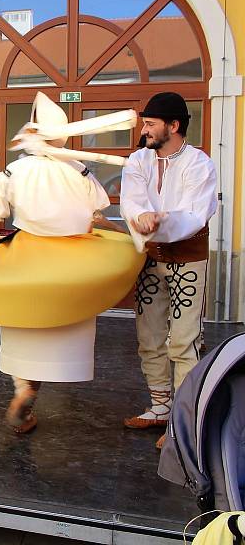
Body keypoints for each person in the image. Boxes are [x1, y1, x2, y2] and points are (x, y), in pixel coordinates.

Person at [0, 92, 140, 434]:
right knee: (62, 318)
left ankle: (22, 389)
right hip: (74, 260)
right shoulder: (80, 171)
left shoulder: (12, 171)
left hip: (25, 258)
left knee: (22, 320)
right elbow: (96, 218)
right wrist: (126, 237)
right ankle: (32, 391)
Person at [120, 92, 217, 449]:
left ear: (173, 126)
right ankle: (161, 407)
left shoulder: (200, 164)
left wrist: (161, 220)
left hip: (187, 257)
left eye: (150, 123)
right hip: (149, 258)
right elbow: (132, 199)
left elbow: (196, 213)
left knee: (184, 341)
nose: (143, 129)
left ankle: (183, 421)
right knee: (149, 338)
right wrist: (142, 217)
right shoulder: (137, 161)